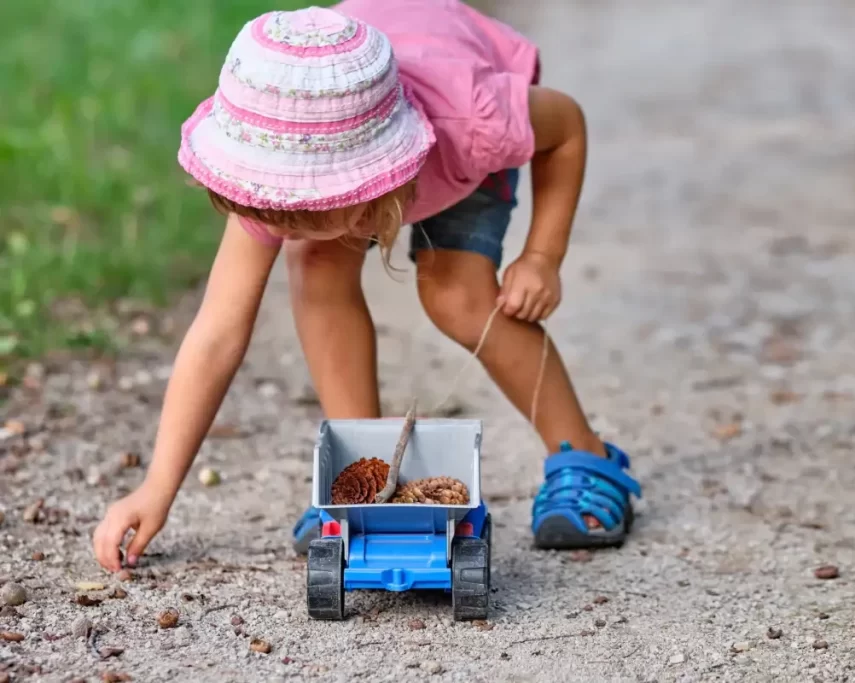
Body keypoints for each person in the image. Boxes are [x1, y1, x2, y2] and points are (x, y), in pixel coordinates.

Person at [92, 0, 641, 573]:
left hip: (451, 140)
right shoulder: (271, 166)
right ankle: (369, 480)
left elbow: (567, 127)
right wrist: (157, 487)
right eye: (273, 212)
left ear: (365, 196)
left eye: (297, 211)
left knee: (456, 296)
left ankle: (585, 456)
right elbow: (217, 331)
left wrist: (542, 256)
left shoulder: (476, 121)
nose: (275, 224)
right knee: (316, 266)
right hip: (339, 124)